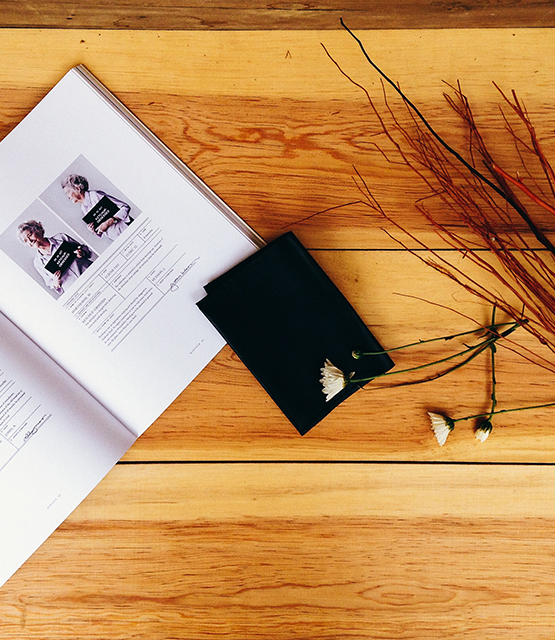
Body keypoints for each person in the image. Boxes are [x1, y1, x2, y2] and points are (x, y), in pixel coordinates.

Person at [17, 220, 94, 295]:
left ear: (38, 230)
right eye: (25, 241)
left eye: (29, 235)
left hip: (91, 274)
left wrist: (82, 252)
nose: (30, 241)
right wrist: (56, 282)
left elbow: (85, 250)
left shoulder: (61, 237)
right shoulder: (38, 263)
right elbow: (51, 283)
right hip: (76, 291)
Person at [61, 174, 133, 240]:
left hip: (128, 230)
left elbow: (125, 207)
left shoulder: (95, 195)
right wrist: (94, 230)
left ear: (78, 188)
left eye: (67, 192)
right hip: (117, 238)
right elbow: (101, 230)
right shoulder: (83, 208)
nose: (68, 197)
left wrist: (109, 222)